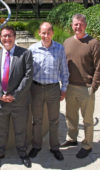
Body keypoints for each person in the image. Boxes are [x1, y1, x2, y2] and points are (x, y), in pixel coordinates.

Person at [0, 26, 33, 168]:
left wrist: (14, 95)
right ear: (0, 38)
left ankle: (22, 153)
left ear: (15, 37)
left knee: (20, 130)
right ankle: (0, 153)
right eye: (4, 36)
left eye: (10, 36)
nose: (7, 39)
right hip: (0, 102)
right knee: (1, 131)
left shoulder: (25, 54)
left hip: (18, 101)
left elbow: (28, 76)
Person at [60, 14, 100, 158]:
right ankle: (72, 138)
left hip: (86, 88)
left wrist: (93, 87)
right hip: (70, 86)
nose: (78, 27)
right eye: (76, 24)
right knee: (70, 116)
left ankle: (88, 144)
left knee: (88, 119)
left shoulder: (94, 43)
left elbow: (98, 67)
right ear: (72, 26)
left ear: (86, 25)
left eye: (81, 24)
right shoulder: (67, 42)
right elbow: (63, 64)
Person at [28, 22, 69, 161]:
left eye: (48, 32)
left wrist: (64, 88)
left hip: (53, 89)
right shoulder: (32, 49)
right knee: (37, 120)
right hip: (36, 88)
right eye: (43, 33)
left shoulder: (59, 48)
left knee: (54, 120)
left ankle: (55, 147)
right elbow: (27, 72)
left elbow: (64, 70)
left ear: (53, 33)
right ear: (39, 33)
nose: (46, 35)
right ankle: (36, 146)